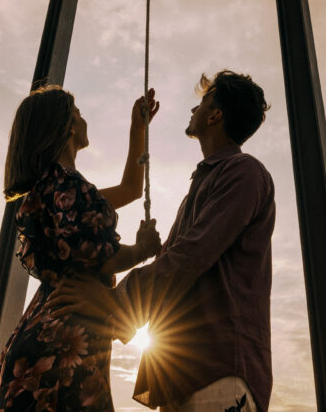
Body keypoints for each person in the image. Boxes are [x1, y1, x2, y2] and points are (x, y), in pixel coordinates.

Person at [49, 70, 274, 412]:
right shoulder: (205, 185)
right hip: (185, 375)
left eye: (201, 104)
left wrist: (112, 302)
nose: (193, 111)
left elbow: (190, 257)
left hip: (219, 370)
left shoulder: (243, 173)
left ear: (215, 116)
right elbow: (178, 262)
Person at [0, 85, 162, 412]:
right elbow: (102, 257)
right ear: (67, 125)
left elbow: (130, 189)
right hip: (59, 345)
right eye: (78, 112)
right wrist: (141, 249)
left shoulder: (56, 188)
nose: (84, 117)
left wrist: (137, 128)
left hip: (47, 333)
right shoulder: (67, 187)